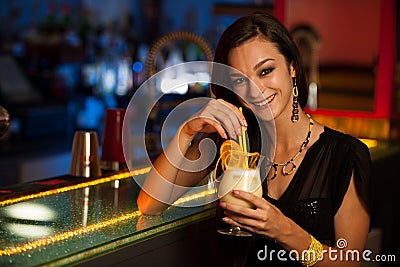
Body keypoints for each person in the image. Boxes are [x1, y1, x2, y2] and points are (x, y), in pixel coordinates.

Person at [137, 12, 373, 266]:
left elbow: (349, 262)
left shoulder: (345, 155)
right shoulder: (232, 142)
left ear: (292, 68)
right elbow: (150, 204)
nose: (255, 90)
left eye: (266, 71)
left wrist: (283, 231)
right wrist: (186, 132)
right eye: (240, 80)